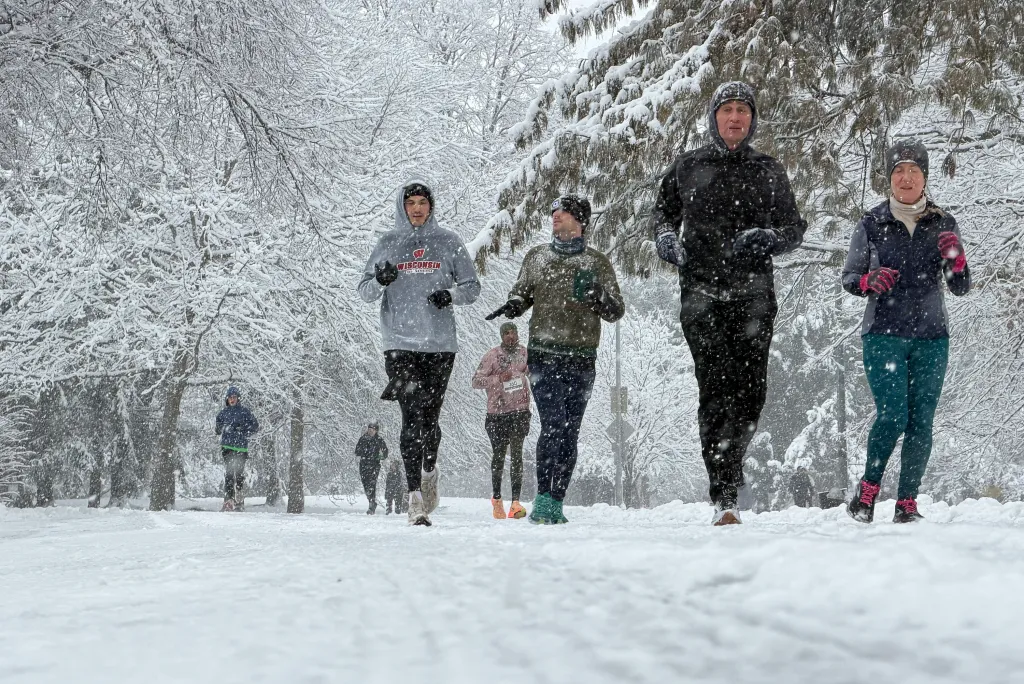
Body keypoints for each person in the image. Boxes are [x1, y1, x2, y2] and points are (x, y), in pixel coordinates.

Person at [650, 81, 806, 526]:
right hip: (701, 294)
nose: (735, 118)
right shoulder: (688, 166)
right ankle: (723, 492)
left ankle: (730, 469)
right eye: (727, 110)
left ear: (753, 119)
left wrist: (770, 237)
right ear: (713, 117)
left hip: (754, 294)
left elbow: (795, 227)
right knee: (715, 389)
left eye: (743, 110)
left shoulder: (768, 170)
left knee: (751, 392)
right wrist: (664, 237)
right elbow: (662, 213)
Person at [843, 139, 970, 524]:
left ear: (924, 177)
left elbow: (959, 285)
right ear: (889, 177)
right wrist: (869, 280)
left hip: (932, 335)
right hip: (883, 333)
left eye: (914, 170)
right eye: (899, 170)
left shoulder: (944, 223)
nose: (907, 176)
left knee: (921, 420)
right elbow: (849, 277)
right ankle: (867, 492)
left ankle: (907, 503)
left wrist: (956, 259)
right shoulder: (871, 223)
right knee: (892, 415)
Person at [489, 195, 624, 524]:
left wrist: (599, 296)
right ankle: (543, 497)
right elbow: (521, 293)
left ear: (580, 221)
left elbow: (615, 310)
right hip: (544, 356)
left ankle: (557, 498)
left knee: (570, 431)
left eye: (562, 213)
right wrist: (514, 304)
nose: (555, 217)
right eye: (553, 213)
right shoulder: (537, 257)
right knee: (552, 425)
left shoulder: (596, 263)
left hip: (581, 358)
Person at [357, 180, 481, 526]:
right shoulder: (388, 243)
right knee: (410, 415)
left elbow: (472, 288)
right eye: (410, 202)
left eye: (422, 202)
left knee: (430, 419)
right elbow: (364, 291)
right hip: (398, 343)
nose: (416, 208)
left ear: (431, 206)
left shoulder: (448, 242)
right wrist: (380, 280)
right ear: (401, 205)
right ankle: (414, 499)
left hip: (439, 344)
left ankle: (429, 470)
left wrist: (450, 295)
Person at [472, 322, 531, 519]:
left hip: (520, 412)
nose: (511, 336)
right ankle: (497, 499)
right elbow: (476, 381)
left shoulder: (524, 353)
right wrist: (498, 378)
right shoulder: (492, 356)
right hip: (497, 414)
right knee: (498, 455)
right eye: (506, 333)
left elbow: (534, 373)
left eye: (513, 332)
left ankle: (515, 502)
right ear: (501, 336)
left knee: (517, 455)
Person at [214, 386, 260, 511]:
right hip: (227, 446)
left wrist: (244, 430)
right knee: (229, 473)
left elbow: (255, 426)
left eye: (234, 397)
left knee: (238, 473)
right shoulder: (223, 413)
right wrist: (219, 428)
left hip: (241, 447)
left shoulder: (244, 412)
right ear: (227, 399)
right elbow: (217, 426)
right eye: (230, 397)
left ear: (238, 398)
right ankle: (228, 501)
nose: (232, 399)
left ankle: (239, 500)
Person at [355, 422, 389, 515]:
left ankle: (371, 504)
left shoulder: (379, 440)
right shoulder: (363, 439)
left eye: (372, 430)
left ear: (376, 431)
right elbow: (357, 450)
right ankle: (371, 501)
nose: (370, 431)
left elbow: (385, 452)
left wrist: (380, 457)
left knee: (372, 484)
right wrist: (359, 455)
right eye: (369, 429)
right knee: (365, 484)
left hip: (374, 465)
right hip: (363, 465)